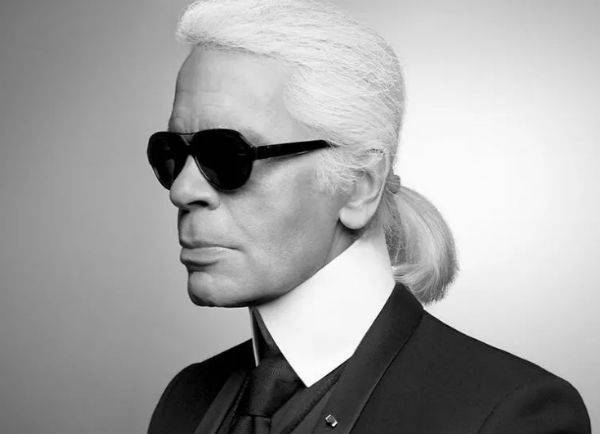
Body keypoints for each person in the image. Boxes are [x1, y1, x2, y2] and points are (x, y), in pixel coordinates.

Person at [146, 0, 591, 432]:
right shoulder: (187, 400)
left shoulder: (512, 416)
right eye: (172, 154)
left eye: (227, 155)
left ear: (360, 184)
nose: (182, 190)